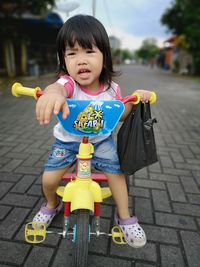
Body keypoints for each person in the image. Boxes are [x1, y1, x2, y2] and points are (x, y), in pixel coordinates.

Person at [33, 14, 152, 248]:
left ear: (104, 56)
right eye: (72, 53)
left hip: (101, 141)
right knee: (49, 180)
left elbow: (119, 113)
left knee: (117, 177)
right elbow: (57, 88)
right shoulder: (68, 84)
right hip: (67, 142)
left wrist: (136, 99)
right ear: (63, 60)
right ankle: (51, 204)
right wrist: (53, 94)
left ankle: (125, 217)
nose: (81, 60)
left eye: (89, 51)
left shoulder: (111, 88)